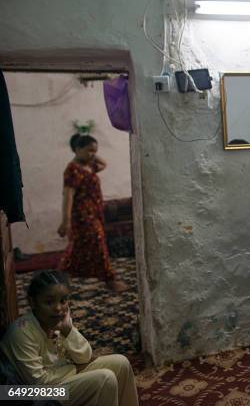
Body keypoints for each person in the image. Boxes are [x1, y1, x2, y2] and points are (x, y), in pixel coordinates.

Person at [0, 270, 139, 406]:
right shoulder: (21, 332)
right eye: (49, 302)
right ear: (32, 302)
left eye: (63, 300)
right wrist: (75, 369)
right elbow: (40, 383)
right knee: (104, 378)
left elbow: (84, 358)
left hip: (55, 380)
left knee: (121, 363)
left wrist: (68, 331)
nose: (58, 308)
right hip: (23, 393)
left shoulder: (59, 322)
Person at [57, 133, 128, 292]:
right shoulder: (72, 169)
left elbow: (104, 164)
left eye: (94, 150)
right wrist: (66, 221)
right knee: (98, 241)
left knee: (78, 247)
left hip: (95, 213)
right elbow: (68, 195)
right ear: (77, 149)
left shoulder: (89, 167)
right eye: (88, 150)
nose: (93, 154)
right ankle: (110, 280)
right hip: (82, 216)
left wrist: (91, 155)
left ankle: (60, 276)